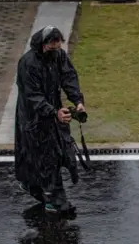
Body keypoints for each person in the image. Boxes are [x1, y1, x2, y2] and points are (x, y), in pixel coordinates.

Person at [14, 25, 86, 215]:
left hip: (54, 109)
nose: (55, 52)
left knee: (60, 150)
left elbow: (69, 77)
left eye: (58, 47)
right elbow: (32, 95)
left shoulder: (59, 55)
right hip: (33, 115)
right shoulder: (28, 63)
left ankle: (33, 186)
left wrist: (77, 100)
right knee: (46, 157)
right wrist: (53, 112)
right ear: (43, 44)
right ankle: (55, 201)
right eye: (52, 48)